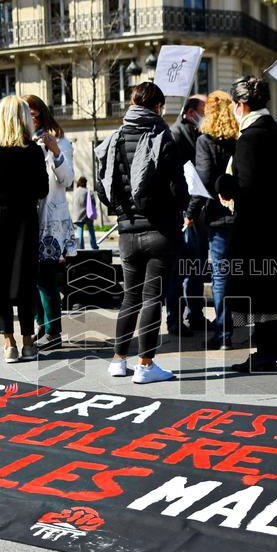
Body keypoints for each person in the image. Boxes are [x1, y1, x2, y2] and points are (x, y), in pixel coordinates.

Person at [95, 82, 189, 383]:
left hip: (126, 232)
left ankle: (119, 360)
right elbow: (179, 189)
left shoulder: (115, 139)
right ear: (158, 107)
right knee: (152, 299)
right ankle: (146, 365)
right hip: (160, 230)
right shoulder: (163, 137)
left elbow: (103, 187)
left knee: (130, 298)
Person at [218, 76, 277, 372]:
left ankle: (266, 352)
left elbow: (250, 190)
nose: (232, 110)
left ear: (241, 104)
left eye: (233, 105)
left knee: (260, 296)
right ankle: (276, 349)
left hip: (259, 232)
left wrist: (225, 185)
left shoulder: (250, 139)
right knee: (273, 295)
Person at [0, 96, 50, 362]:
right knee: (25, 280)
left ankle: (9, 343)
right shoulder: (31, 150)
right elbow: (42, 189)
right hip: (23, 221)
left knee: (0, 281)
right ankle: (29, 341)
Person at [25, 94, 76, 349]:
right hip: (27, 218)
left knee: (46, 276)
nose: (29, 119)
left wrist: (55, 151)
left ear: (41, 114)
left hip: (50, 218)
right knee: (32, 278)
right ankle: (41, 326)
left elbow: (68, 179)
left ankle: (53, 330)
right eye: (26, 114)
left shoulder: (58, 139)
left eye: (33, 115)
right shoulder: (19, 140)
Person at [193, 90, 239, 349]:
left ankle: (223, 334)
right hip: (240, 215)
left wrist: (190, 213)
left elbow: (203, 179)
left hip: (217, 217)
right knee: (239, 274)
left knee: (221, 277)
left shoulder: (206, 141)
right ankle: (242, 324)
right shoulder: (239, 139)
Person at [167, 94, 208, 336]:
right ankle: (175, 319)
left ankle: (195, 314)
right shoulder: (176, 134)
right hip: (185, 208)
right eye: (204, 110)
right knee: (182, 267)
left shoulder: (197, 132)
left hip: (196, 207)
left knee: (196, 266)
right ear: (191, 112)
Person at [72, 176, 99, 250]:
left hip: (77, 214)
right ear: (85, 183)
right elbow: (93, 203)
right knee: (91, 229)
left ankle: (81, 247)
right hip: (87, 214)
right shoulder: (88, 192)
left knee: (79, 230)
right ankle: (94, 245)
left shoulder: (75, 191)